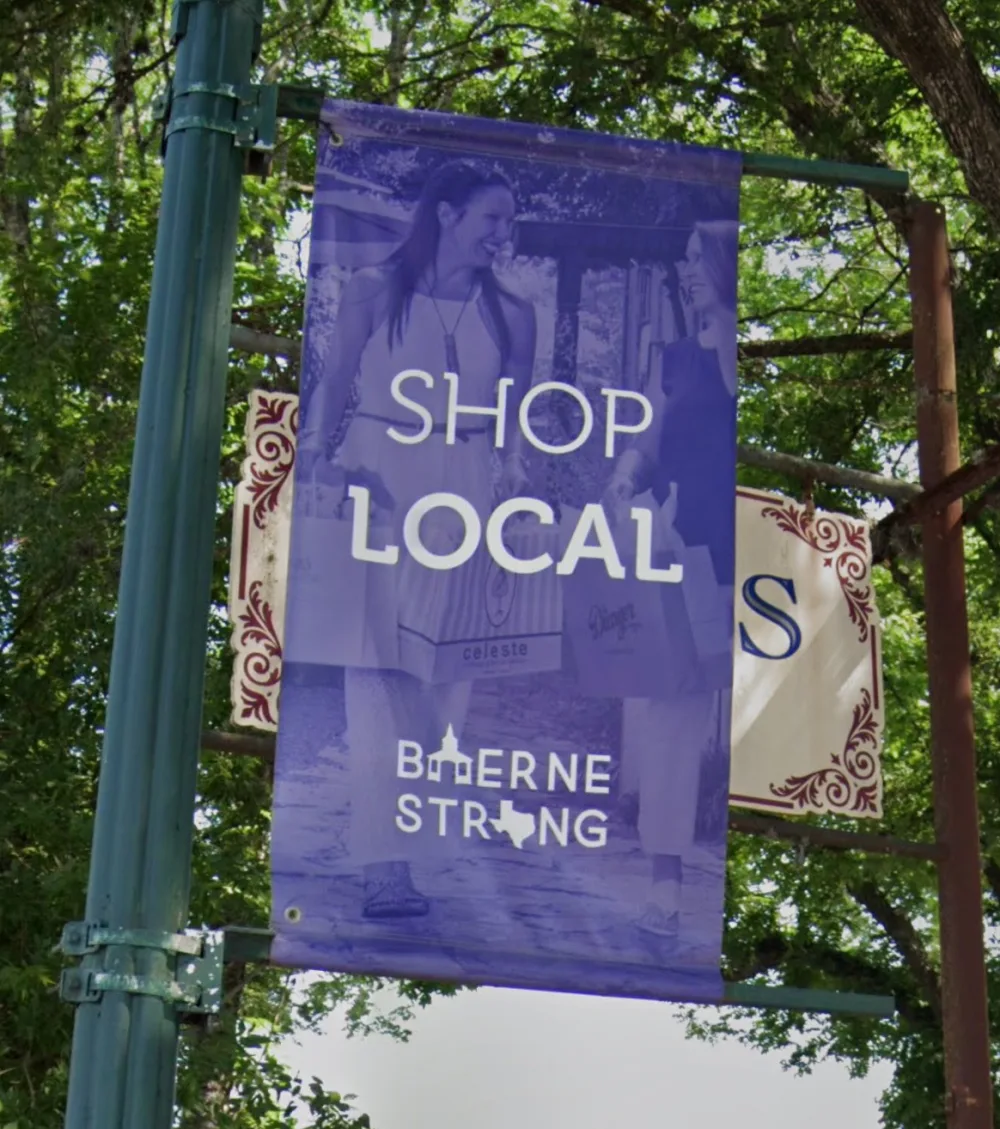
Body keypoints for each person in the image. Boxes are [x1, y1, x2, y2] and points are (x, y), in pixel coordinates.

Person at [295, 160, 537, 919]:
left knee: (443, 672)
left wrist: (514, 478)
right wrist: (313, 455)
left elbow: (516, 424)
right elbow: (334, 385)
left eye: (509, 221)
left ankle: (419, 841)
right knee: (374, 670)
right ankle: (382, 863)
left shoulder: (514, 313)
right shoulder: (374, 289)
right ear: (448, 213)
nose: (504, 234)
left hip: (464, 486)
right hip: (381, 470)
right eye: (492, 218)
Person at [603, 219, 739, 944]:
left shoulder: (748, 359)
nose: (687, 269)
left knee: (724, 715)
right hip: (680, 554)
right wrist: (625, 481)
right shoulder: (680, 358)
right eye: (683, 258)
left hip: (747, 565)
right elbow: (650, 441)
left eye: (699, 258)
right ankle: (665, 883)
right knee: (667, 712)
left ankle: (727, 886)